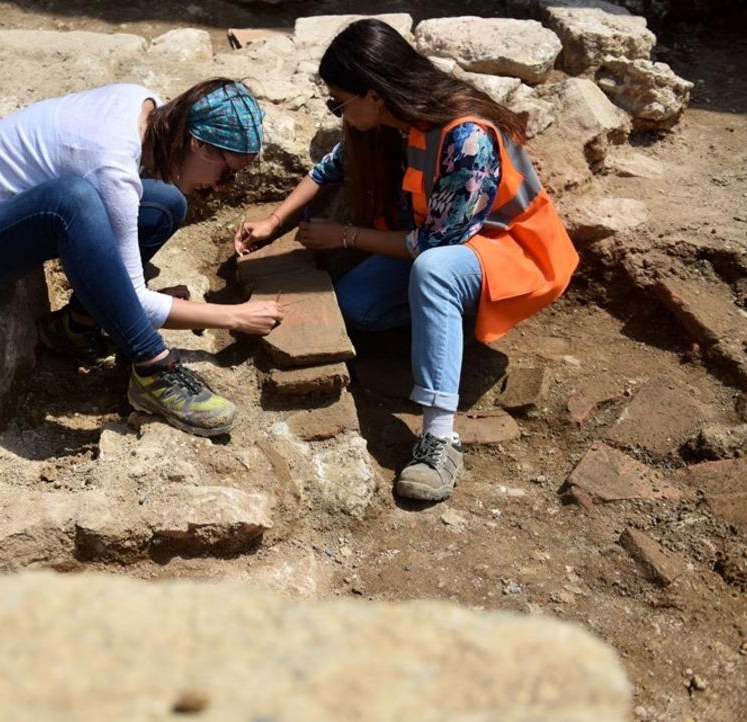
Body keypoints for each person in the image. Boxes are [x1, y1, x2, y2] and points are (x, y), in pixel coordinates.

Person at [235, 20, 578, 501]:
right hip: (450, 246)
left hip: (516, 256)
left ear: (373, 94)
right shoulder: (398, 121)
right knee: (357, 308)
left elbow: (433, 245)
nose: (338, 111)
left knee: (433, 273)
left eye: (340, 101)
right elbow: (330, 168)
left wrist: (346, 236)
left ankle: (439, 436)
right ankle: (443, 324)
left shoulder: (467, 137)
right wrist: (275, 222)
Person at [0, 79, 284, 437]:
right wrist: (234, 316)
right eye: (227, 172)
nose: (221, 187)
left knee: (164, 204)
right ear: (200, 145)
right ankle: (154, 371)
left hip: (9, 220)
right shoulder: (110, 162)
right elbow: (135, 299)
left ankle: (75, 328)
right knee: (73, 199)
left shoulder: (144, 106)